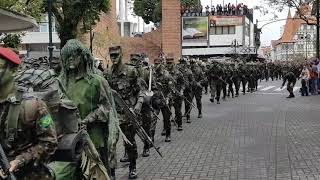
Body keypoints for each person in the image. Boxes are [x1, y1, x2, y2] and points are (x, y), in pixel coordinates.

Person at [57, 39, 119, 179]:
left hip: (93, 139)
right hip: (67, 141)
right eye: (68, 56)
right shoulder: (60, 82)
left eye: (75, 55)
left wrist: (89, 119)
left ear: (83, 56)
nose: (71, 59)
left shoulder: (96, 81)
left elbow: (107, 108)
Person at [0, 47, 58, 179]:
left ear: (14, 71)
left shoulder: (34, 105)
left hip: (30, 174)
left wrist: (20, 160)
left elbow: (49, 143)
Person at [108, 46, 145, 179]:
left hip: (129, 114)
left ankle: (133, 167)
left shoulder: (131, 71)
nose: (113, 58)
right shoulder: (107, 73)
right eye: (111, 55)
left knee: (129, 143)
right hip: (114, 115)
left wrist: (138, 106)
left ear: (121, 54)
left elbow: (140, 91)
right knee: (111, 143)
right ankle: (111, 173)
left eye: (116, 55)